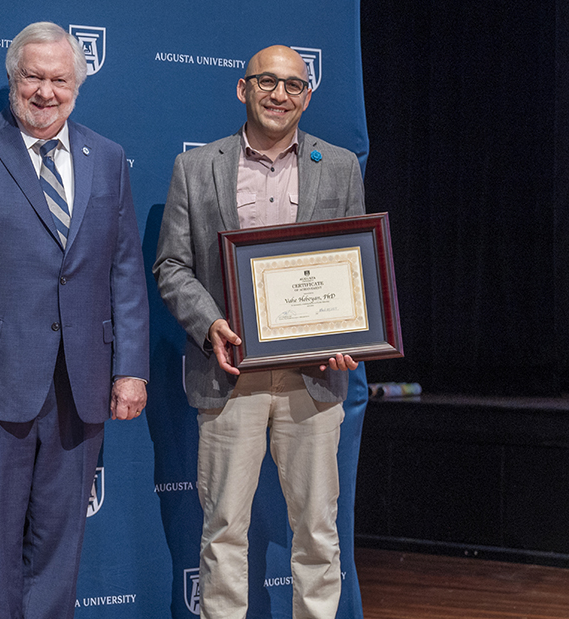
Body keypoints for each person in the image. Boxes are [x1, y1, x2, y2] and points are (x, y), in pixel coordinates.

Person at [0, 21, 149, 619]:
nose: (46, 92)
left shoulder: (110, 157)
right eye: (34, 77)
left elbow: (125, 271)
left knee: (58, 549)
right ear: (13, 78)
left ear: (79, 84)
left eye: (60, 80)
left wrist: (131, 370)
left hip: (82, 384)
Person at [152, 45, 364, 619]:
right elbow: (171, 265)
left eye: (294, 86)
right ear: (242, 89)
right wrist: (210, 324)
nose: (280, 95)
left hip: (312, 378)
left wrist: (347, 334)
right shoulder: (197, 168)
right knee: (223, 528)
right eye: (267, 82)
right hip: (230, 376)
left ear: (307, 97)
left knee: (318, 529)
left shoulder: (340, 166)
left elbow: (351, 265)